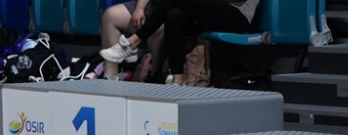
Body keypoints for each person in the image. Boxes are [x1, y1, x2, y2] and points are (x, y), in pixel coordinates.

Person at [101, 0, 260, 85]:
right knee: (174, 14)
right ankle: (178, 79)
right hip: (211, 9)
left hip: (237, 14)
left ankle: (132, 43)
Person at [100, 0, 165, 80]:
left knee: (160, 30)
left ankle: (155, 76)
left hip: (171, 11)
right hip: (152, 5)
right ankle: (110, 77)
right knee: (110, 16)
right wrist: (139, 9)